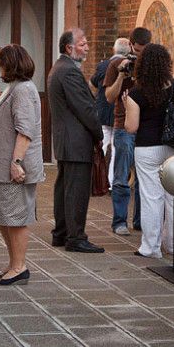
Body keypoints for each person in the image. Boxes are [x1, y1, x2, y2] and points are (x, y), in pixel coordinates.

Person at [0, 45, 43, 285]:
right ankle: (13, 264)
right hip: (2, 166)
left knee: (16, 217)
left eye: (1, 63)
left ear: (11, 64)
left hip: (13, 168)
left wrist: (16, 162)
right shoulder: (14, 90)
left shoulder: (22, 90)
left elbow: (25, 130)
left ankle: (19, 267)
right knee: (4, 216)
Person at [124, 43, 174, 259]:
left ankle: (150, 247)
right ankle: (173, 245)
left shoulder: (136, 93)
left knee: (151, 198)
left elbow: (131, 127)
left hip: (148, 148)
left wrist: (127, 106)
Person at [47, 28, 104, 253]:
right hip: (75, 141)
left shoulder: (60, 68)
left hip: (67, 140)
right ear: (69, 48)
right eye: (82, 44)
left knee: (65, 189)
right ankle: (75, 237)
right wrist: (99, 134)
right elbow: (85, 108)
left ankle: (61, 233)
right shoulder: (69, 71)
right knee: (75, 191)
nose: (87, 47)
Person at [103, 26, 151, 235]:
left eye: (144, 51)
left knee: (145, 177)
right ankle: (119, 222)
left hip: (146, 126)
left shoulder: (152, 64)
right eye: (137, 50)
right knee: (122, 176)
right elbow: (109, 97)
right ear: (131, 45)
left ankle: (141, 221)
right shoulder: (116, 64)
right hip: (123, 126)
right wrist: (122, 75)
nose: (140, 55)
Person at [91, 38, 130, 186]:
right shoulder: (130, 66)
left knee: (100, 145)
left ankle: (94, 179)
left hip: (103, 110)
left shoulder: (103, 65)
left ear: (114, 50)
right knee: (116, 148)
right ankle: (112, 181)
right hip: (121, 112)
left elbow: (92, 83)